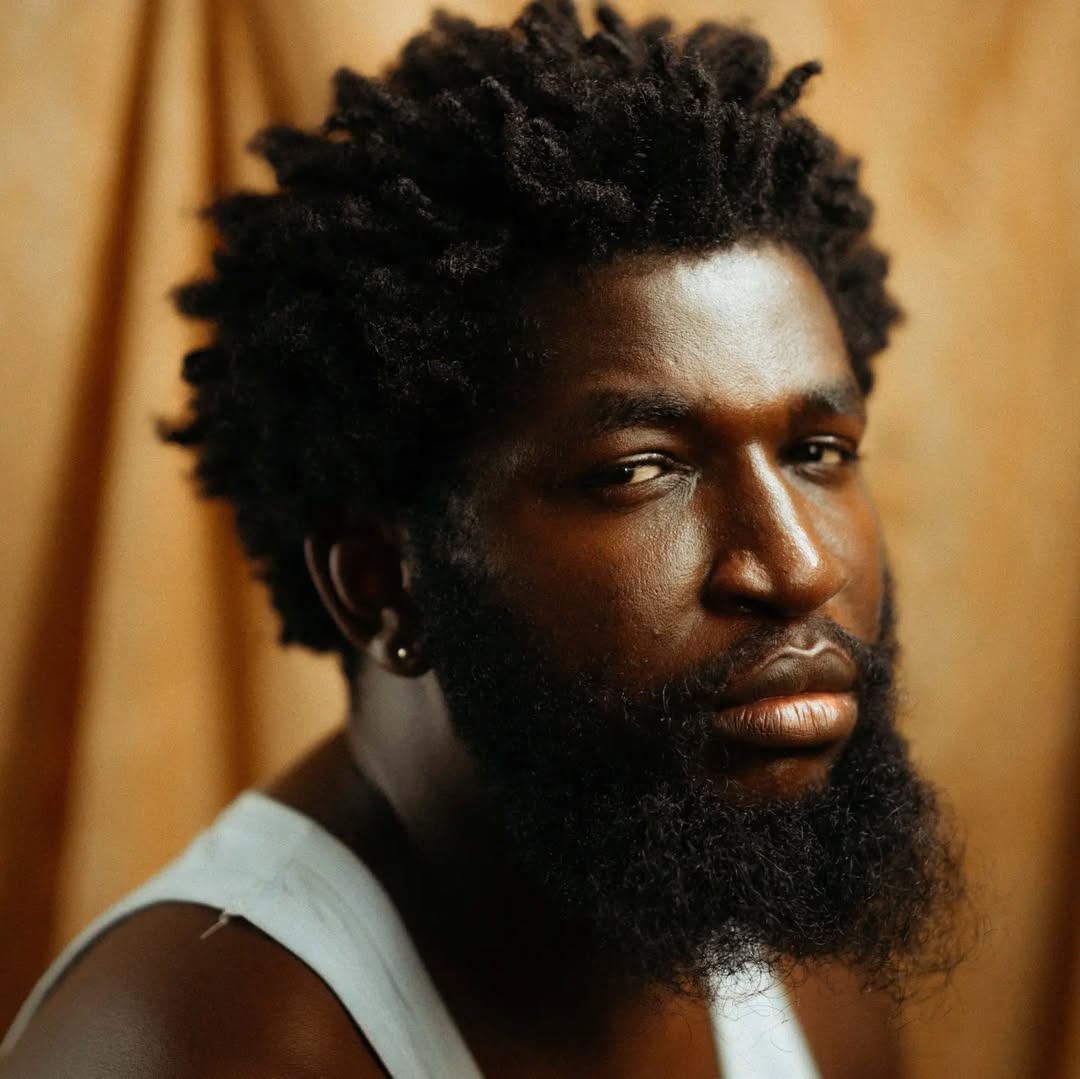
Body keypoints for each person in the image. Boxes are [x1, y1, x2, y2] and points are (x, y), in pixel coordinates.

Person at [0, 3, 965, 1075]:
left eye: (818, 450)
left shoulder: (787, 933)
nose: (798, 566)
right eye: (640, 469)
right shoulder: (208, 1043)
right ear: (383, 584)